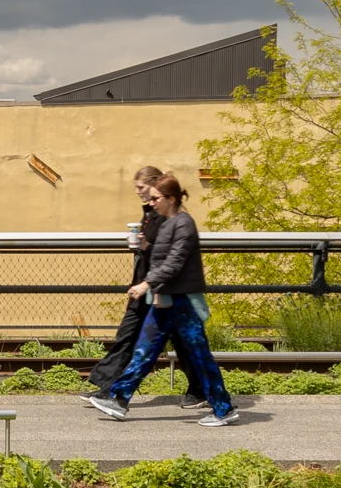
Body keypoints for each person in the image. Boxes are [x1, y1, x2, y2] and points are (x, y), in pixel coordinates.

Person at [86, 175, 238, 427]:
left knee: (199, 356)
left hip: (182, 301)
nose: (152, 202)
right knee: (144, 351)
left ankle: (223, 408)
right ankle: (118, 398)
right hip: (165, 299)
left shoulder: (183, 223)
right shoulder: (168, 222)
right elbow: (158, 256)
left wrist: (147, 283)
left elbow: (175, 262)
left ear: (172, 198)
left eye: (156, 198)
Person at [88, 166, 166, 393]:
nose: (138, 192)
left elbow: (167, 255)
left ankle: (204, 391)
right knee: (128, 336)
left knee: (186, 345)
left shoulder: (165, 216)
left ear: (154, 184)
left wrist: (145, 248)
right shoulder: (150, 214)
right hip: (144, 286)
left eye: (141, 187)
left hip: (156, 288)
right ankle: (108, 387)